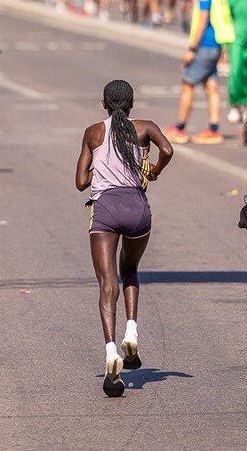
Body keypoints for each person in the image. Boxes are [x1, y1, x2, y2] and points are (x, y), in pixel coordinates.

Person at [74, 79, 174, 397]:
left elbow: (79, 182)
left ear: (104, 105)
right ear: (132, 104)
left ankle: (111, 352)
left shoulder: (93, 132)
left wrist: (99, 169)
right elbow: (169, 150)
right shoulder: (144, 127)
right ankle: (132, 330)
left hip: (105, 209)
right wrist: (154, 169)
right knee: (130, 270)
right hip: (137, 208)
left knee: (107, 284)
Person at [163, 0, 233, 145]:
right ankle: (214, 129)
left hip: (205, 44)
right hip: (217, 43)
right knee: (211, 85)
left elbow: (202, 21)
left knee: (187, 83)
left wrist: (192, 49)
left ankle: (180, 128)